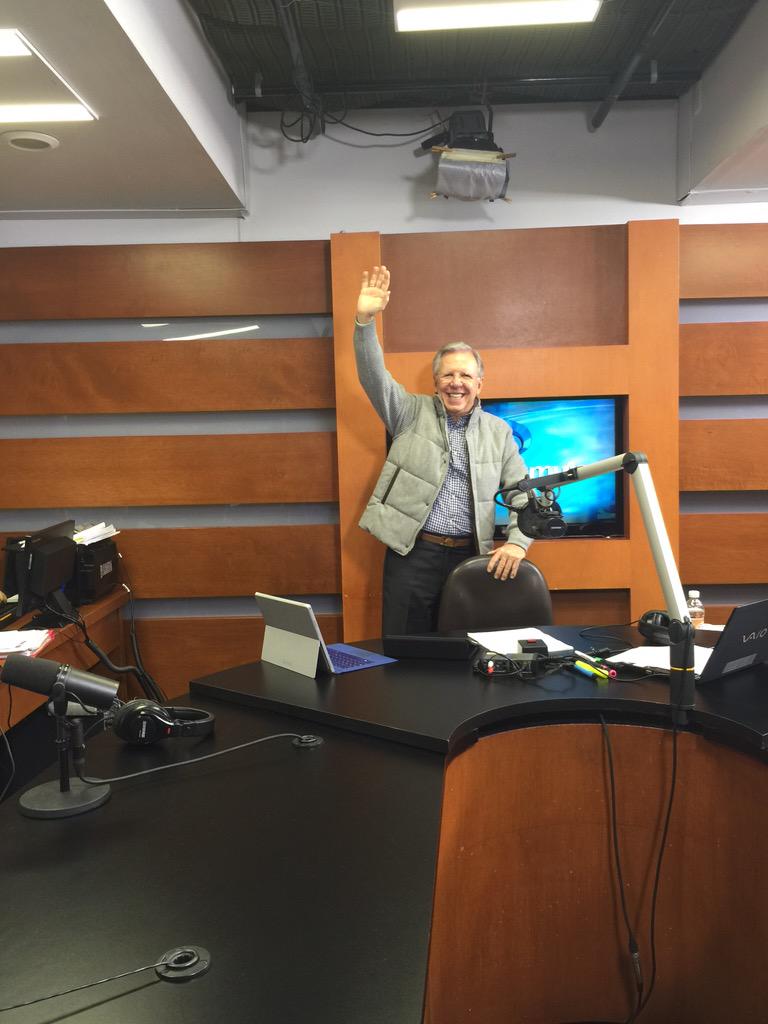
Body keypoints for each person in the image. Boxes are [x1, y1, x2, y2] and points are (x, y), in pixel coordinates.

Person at [354, 264, 533, 635]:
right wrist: (365, 321)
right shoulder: (408, 412)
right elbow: (373, 376)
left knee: (463, 650)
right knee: (405, 648)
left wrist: (517, 544)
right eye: (448, 375)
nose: (456, 383)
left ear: (480, 384)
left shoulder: (499, 432)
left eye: (466, 375)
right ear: (436, 382)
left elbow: (523, 495)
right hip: (412, 553)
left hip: (473, 557)